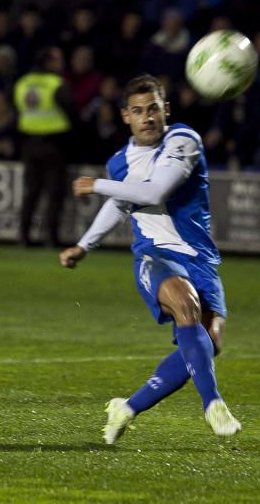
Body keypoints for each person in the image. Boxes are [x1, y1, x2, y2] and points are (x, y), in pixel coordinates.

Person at [59, 74, 241, 444]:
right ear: (126, 116)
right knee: (184, 304)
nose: (147, 118)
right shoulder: (119, 162)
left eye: (154, 109)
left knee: (211, 342)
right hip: (154, 256)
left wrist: (95, 185)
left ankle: (127, 407)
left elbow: (156, 189)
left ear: (166, 110)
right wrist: (84, 245)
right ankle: (213, 405)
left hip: (199, 257)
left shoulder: (183, 140)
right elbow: (122, 203)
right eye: (138, 111)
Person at [14, 46, 74, 247]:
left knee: (31, 193)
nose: (61, 64)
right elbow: (71, 111)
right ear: (48, 62)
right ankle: (51, 238)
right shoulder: (56, 83)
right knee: (54, 193)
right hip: (53, 144)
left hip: (29, 143)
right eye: (57, 60)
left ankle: (23, 237)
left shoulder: (22, 83)